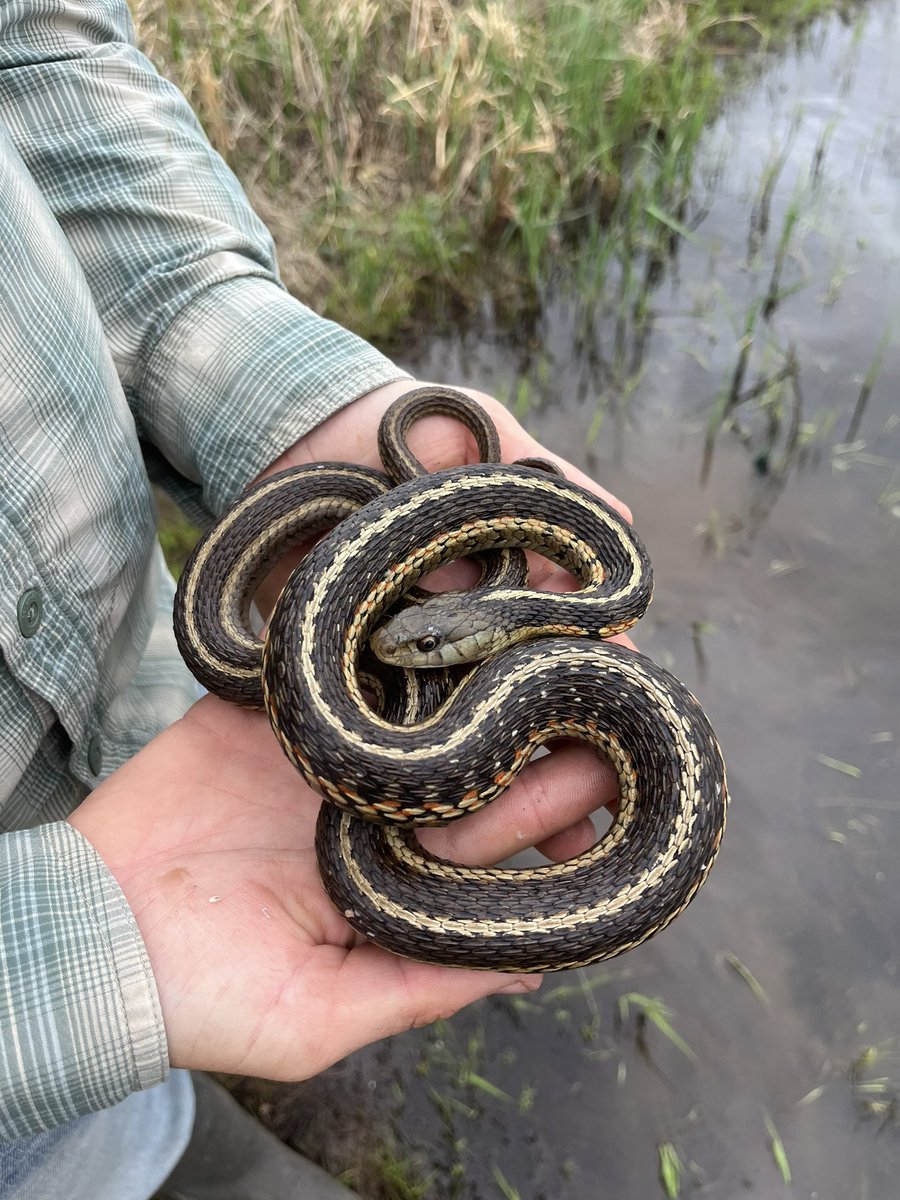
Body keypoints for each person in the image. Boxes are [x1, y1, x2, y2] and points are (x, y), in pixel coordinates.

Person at [0, 3, 632, 1197]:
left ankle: (138, 1146)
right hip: (90, 971)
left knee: (120, 1137)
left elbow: (31, 40)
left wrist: (231, 351)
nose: (407, 641)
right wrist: (40, 983)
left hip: (137, 803)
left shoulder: (550, 604)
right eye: (412, 638)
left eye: (422, 634)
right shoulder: (461, 633)